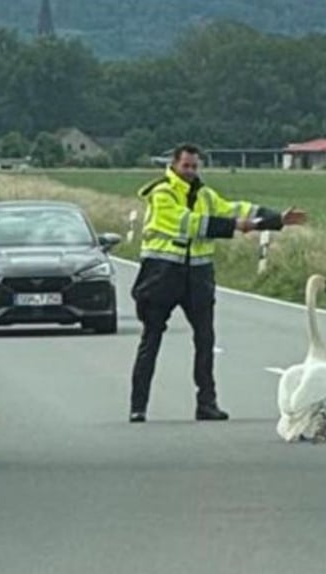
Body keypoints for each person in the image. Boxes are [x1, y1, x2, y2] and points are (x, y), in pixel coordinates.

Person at [128, 144, 307, 423]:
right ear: (174, 165)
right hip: (162, 275)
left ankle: (207, 404)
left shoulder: (205, 194)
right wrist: (236, 226)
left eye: (195, 166)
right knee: (151, 339)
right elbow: (190, 223)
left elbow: (235, 208)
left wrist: (275, 219)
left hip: (197, 276)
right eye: (186, 166)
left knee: (205, 339)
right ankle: (138, 407)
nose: (190, 171)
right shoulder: (161, 193)